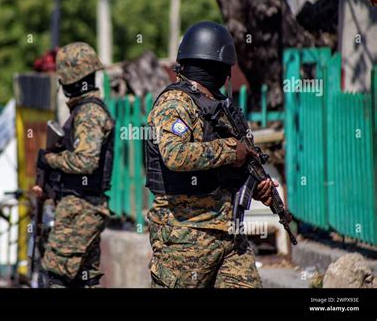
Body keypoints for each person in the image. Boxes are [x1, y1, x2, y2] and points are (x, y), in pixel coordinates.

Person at [145, 21, 277, 288]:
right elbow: (175, 154)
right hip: (186, 237)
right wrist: (230, 150)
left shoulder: (221, 108)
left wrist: (256, 187)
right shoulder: (175, 104)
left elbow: (236, 162)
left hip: (229, 235)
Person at [33, 42, 114, 288]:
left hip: (80, 207)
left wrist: (49, 159)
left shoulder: (89, 112)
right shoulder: (83, 111)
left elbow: (85, 162)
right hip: (83, 206)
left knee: (54, 277)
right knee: (83, 280)